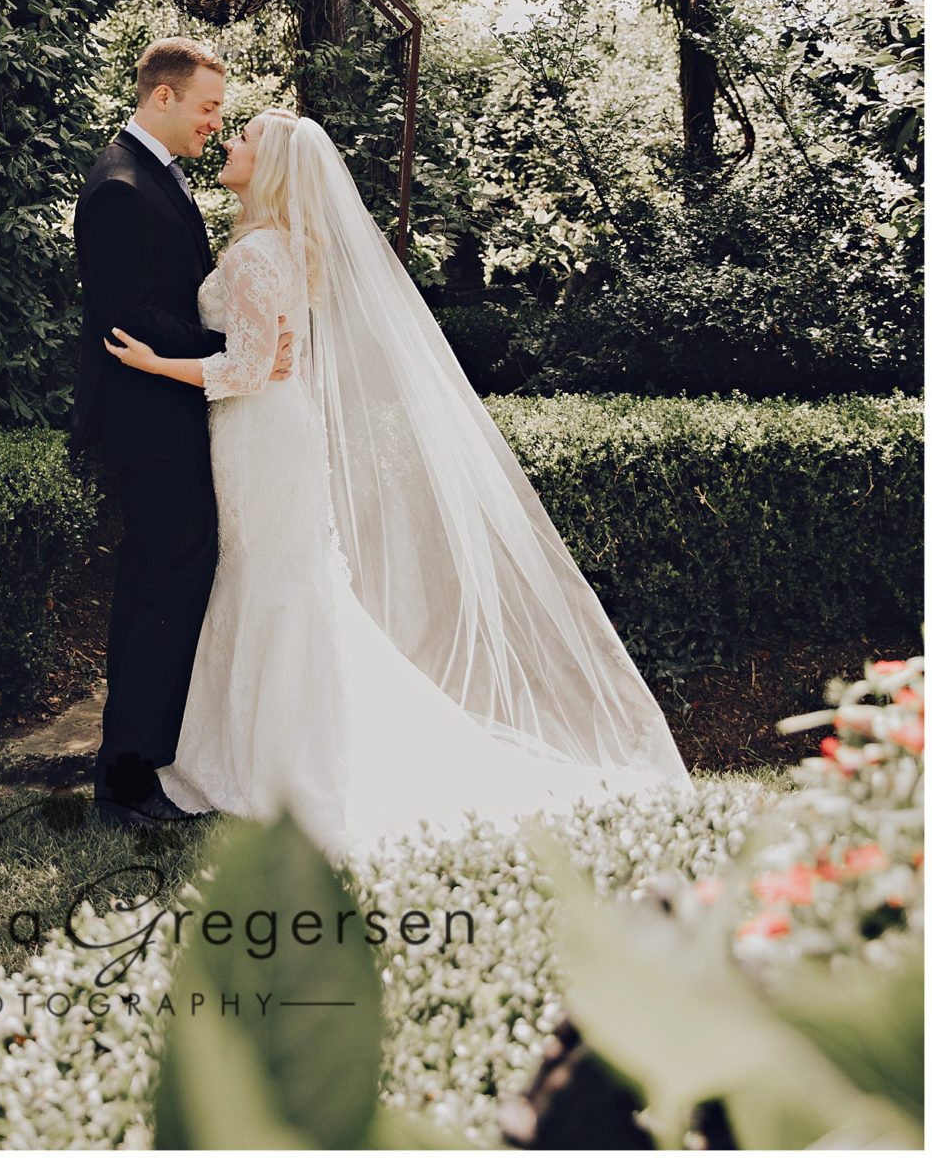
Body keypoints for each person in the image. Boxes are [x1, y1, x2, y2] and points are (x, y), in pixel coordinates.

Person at [104, 107, 691, 861]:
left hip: (258, 432)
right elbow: (272, 353)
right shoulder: (288, 246)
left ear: (273, 166)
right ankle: (267, 749)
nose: (231, 141)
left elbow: (247, 369)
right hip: (276, 428)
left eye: (244, 136)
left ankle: (270, 763)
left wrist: (158, 365)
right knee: (281, 580)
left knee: (270, 580)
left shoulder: (256, 255)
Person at [72, 39, 294, 831]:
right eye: (206, 108)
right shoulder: (120, 188)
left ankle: (138, 765)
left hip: (172, 416)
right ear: (160, 98)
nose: (214, 123)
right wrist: (236, 354)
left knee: (160, 587)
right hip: (149, 424)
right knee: (162, 589)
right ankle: (127, 780)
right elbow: (128, 317)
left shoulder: (152, 177)